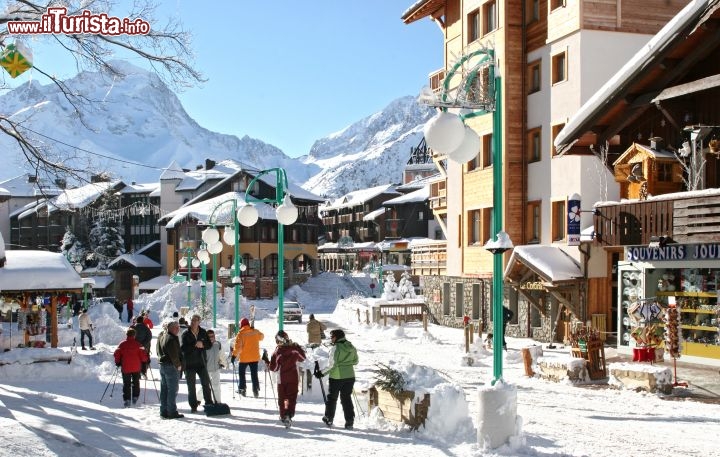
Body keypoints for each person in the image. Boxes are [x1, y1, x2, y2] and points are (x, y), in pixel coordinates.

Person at [317, 329, 359, 430]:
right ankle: (349, 421)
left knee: (332, 398)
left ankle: (329, 418)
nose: (331, 339)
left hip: (337, 377)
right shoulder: (351, 346)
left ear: (336, 337)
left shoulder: (335, 348)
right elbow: (356, 361)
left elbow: (332, 365)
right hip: (350, 376)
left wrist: (321, 373)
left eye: (332, 337)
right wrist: (346, 363)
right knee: (346, 398)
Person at [267, 330, 306, 427]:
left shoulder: (278, 352)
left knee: (284, 398)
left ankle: (285, 414)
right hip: (293, 377)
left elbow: (274, 368)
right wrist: (297, 347)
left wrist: (267, 362)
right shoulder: (294, 348)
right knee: (291, 397)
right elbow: (302, 358)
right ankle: (289, 414)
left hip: (282, 379)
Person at [180, 314, 214, 412]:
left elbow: (209, 345)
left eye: (195, 320)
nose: (193, 322)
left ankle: (209, 403)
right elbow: (183, 348)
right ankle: (193, 406)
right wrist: (195, 345)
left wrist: (203, 344)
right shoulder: (186, 333)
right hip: (189, 364)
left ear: (199, 322)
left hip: (201, 362)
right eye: (192, 320)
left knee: (206, 384)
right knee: (191, 386)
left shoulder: (203, 332)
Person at [113, 327, 150, 407]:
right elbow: (143, 358)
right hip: (136, 367)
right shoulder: (138, 344)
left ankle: (127, 399)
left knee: (126, 384)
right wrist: (146, 358)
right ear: (134, 335)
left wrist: (118, 362)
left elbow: (116, 354)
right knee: (136, 382)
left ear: (127, 335)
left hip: (126, 367)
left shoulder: (122, 344)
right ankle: (135, 397)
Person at [157, 321, 184, 419]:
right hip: (171, 366)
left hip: (163, 365)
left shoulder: (162, 336)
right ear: (171, 328)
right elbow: (174, 354)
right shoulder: (171, 338)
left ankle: (163, 410)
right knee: (172, 390)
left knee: (164, 389)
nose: (178, 329)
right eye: (176, 328)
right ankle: (171, 411)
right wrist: (178, 365)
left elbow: (158, 350)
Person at [231, 318, 264, 397]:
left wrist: (234, 356)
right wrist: (255, 329)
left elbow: (238, 347)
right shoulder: (255, 331)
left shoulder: (241, 334)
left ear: (241, 325)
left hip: (244, 359)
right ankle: (255, 389)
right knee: (254, 374)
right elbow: (262, 337)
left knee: (242, 373)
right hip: (254, 358)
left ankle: (242, 389)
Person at [204, 329, 227, 403]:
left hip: (216, 368)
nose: (211, 338)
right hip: (206, 369)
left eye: (212, 336)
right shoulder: (204, 345)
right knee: (205, 386)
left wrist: (223, 363)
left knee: (216, 385)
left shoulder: (218, 344)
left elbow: (222, 355)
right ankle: (198, 398)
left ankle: (218, 401)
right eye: (209, 336)